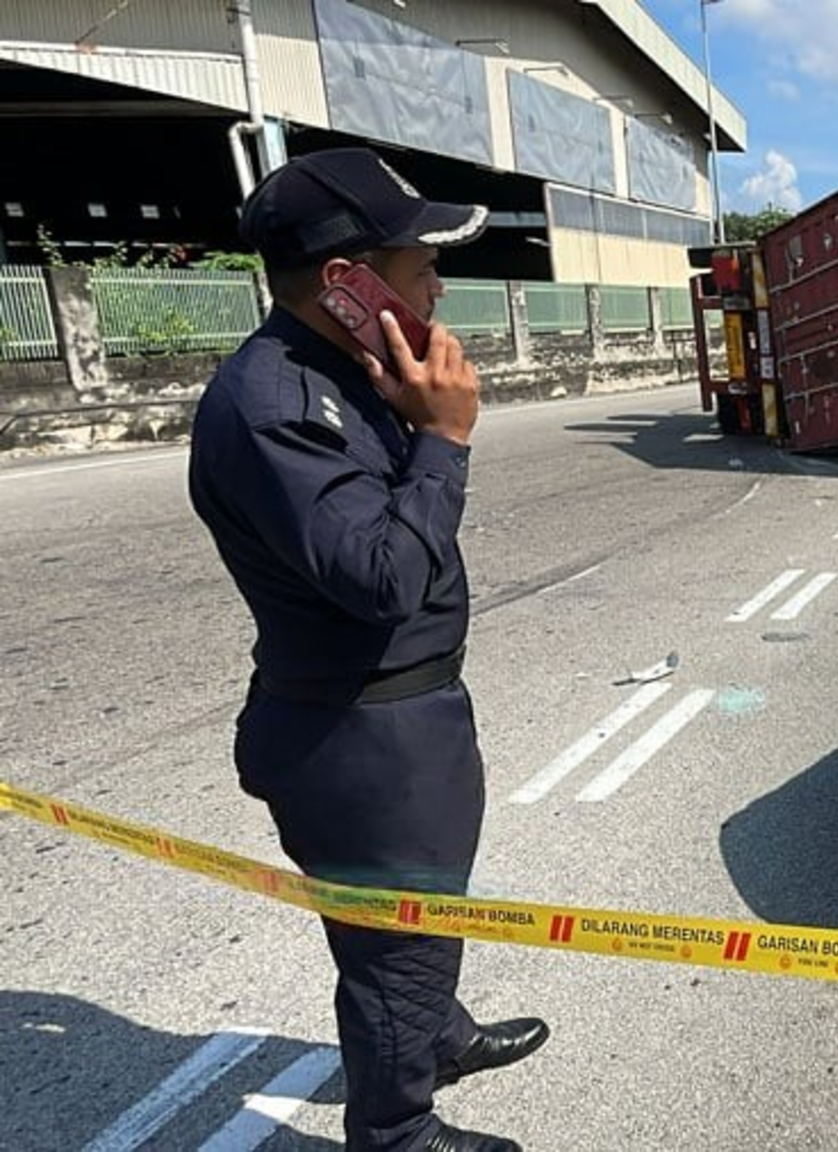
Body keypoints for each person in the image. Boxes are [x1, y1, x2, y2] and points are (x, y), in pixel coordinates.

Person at [187, 148, 547, 1152]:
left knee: (413, 928)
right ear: (347, 286)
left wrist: (409, 417)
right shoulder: (276, 408)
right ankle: (395, 1129)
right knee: (393, 948)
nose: (437, 282)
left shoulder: (343, 376)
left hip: (402, 715)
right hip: (360, 731)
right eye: (417, 261)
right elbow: (383, 576)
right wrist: (443, 438)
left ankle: (435, 1035)